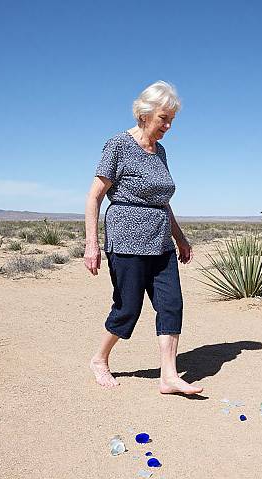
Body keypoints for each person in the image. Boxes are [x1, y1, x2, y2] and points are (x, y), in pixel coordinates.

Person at [84, 80, 203, 395]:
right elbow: (94, 196)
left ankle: (168, 376)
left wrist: (180, 238)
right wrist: (92, 244)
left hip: (161, 241)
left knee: (171, 304)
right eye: (164, 119)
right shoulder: (118, 145)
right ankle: (100, 359)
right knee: (128, 307)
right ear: (144, 115)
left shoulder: (160, 151)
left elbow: (162, 201)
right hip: (126, 241)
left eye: (171, 121)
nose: (168, 126)